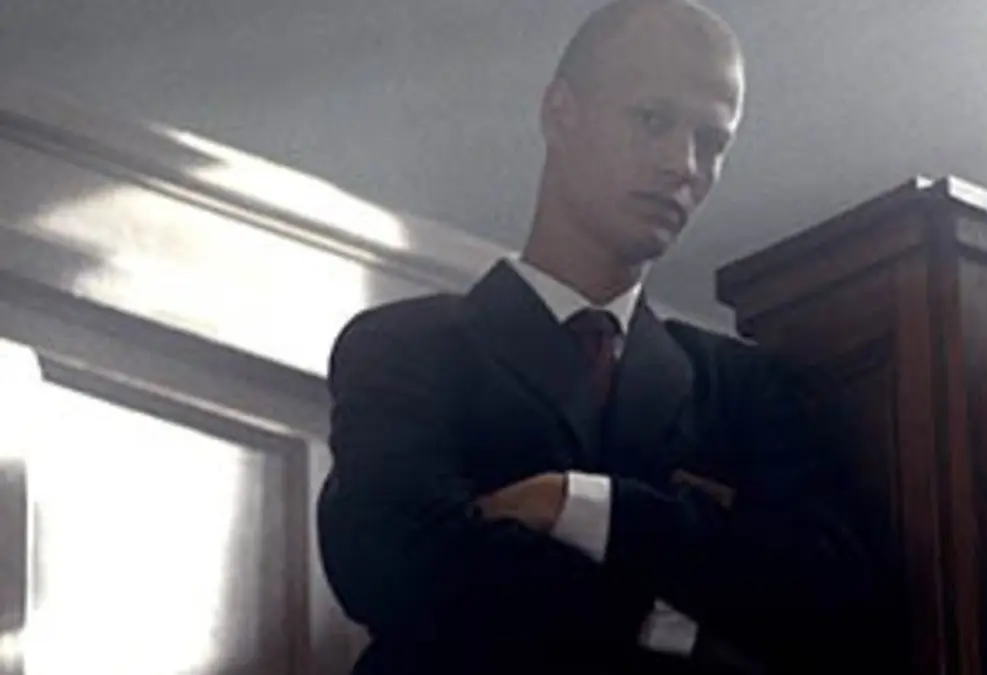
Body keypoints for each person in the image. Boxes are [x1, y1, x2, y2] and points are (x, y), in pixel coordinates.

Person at [317, 1, 878, 672]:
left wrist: (578, 503)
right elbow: (393, 565)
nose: (684, 163)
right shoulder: (403, 347)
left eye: (712, 141)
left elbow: (825, 594)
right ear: (561, 114)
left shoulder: (745, 387)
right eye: (653, 120)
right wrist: (681, 623)